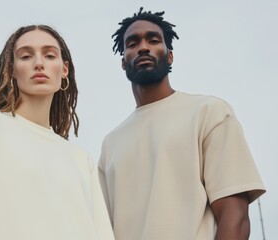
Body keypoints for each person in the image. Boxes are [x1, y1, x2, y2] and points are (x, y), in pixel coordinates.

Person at [0, 24, 114, 240]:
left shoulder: (82, 160)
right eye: (26, 56)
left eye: (49, 55)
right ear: (12, 70)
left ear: (64, 70)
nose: (38, 63)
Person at [98, 7, 266, 240]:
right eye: (133, 43)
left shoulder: (208, 112)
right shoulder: (111, 144)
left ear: (170, 56)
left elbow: (234, 216)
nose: (143, 47)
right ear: (123, 63)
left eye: (154, 40)